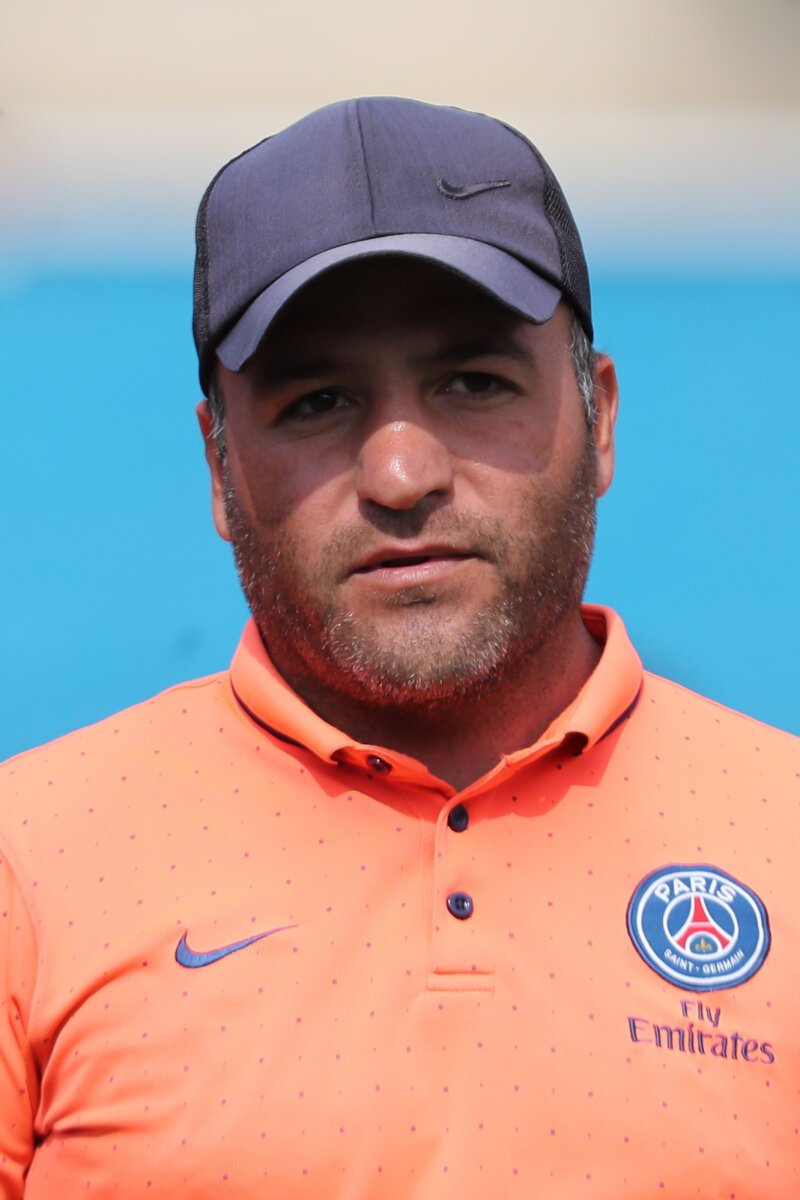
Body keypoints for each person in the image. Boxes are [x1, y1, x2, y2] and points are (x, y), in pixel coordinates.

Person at [0, 97, 797, 1199]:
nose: (401, 476)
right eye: (317, 400)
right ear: (218, 467)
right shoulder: (30, 863)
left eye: (473, 383)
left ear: (601, 416)